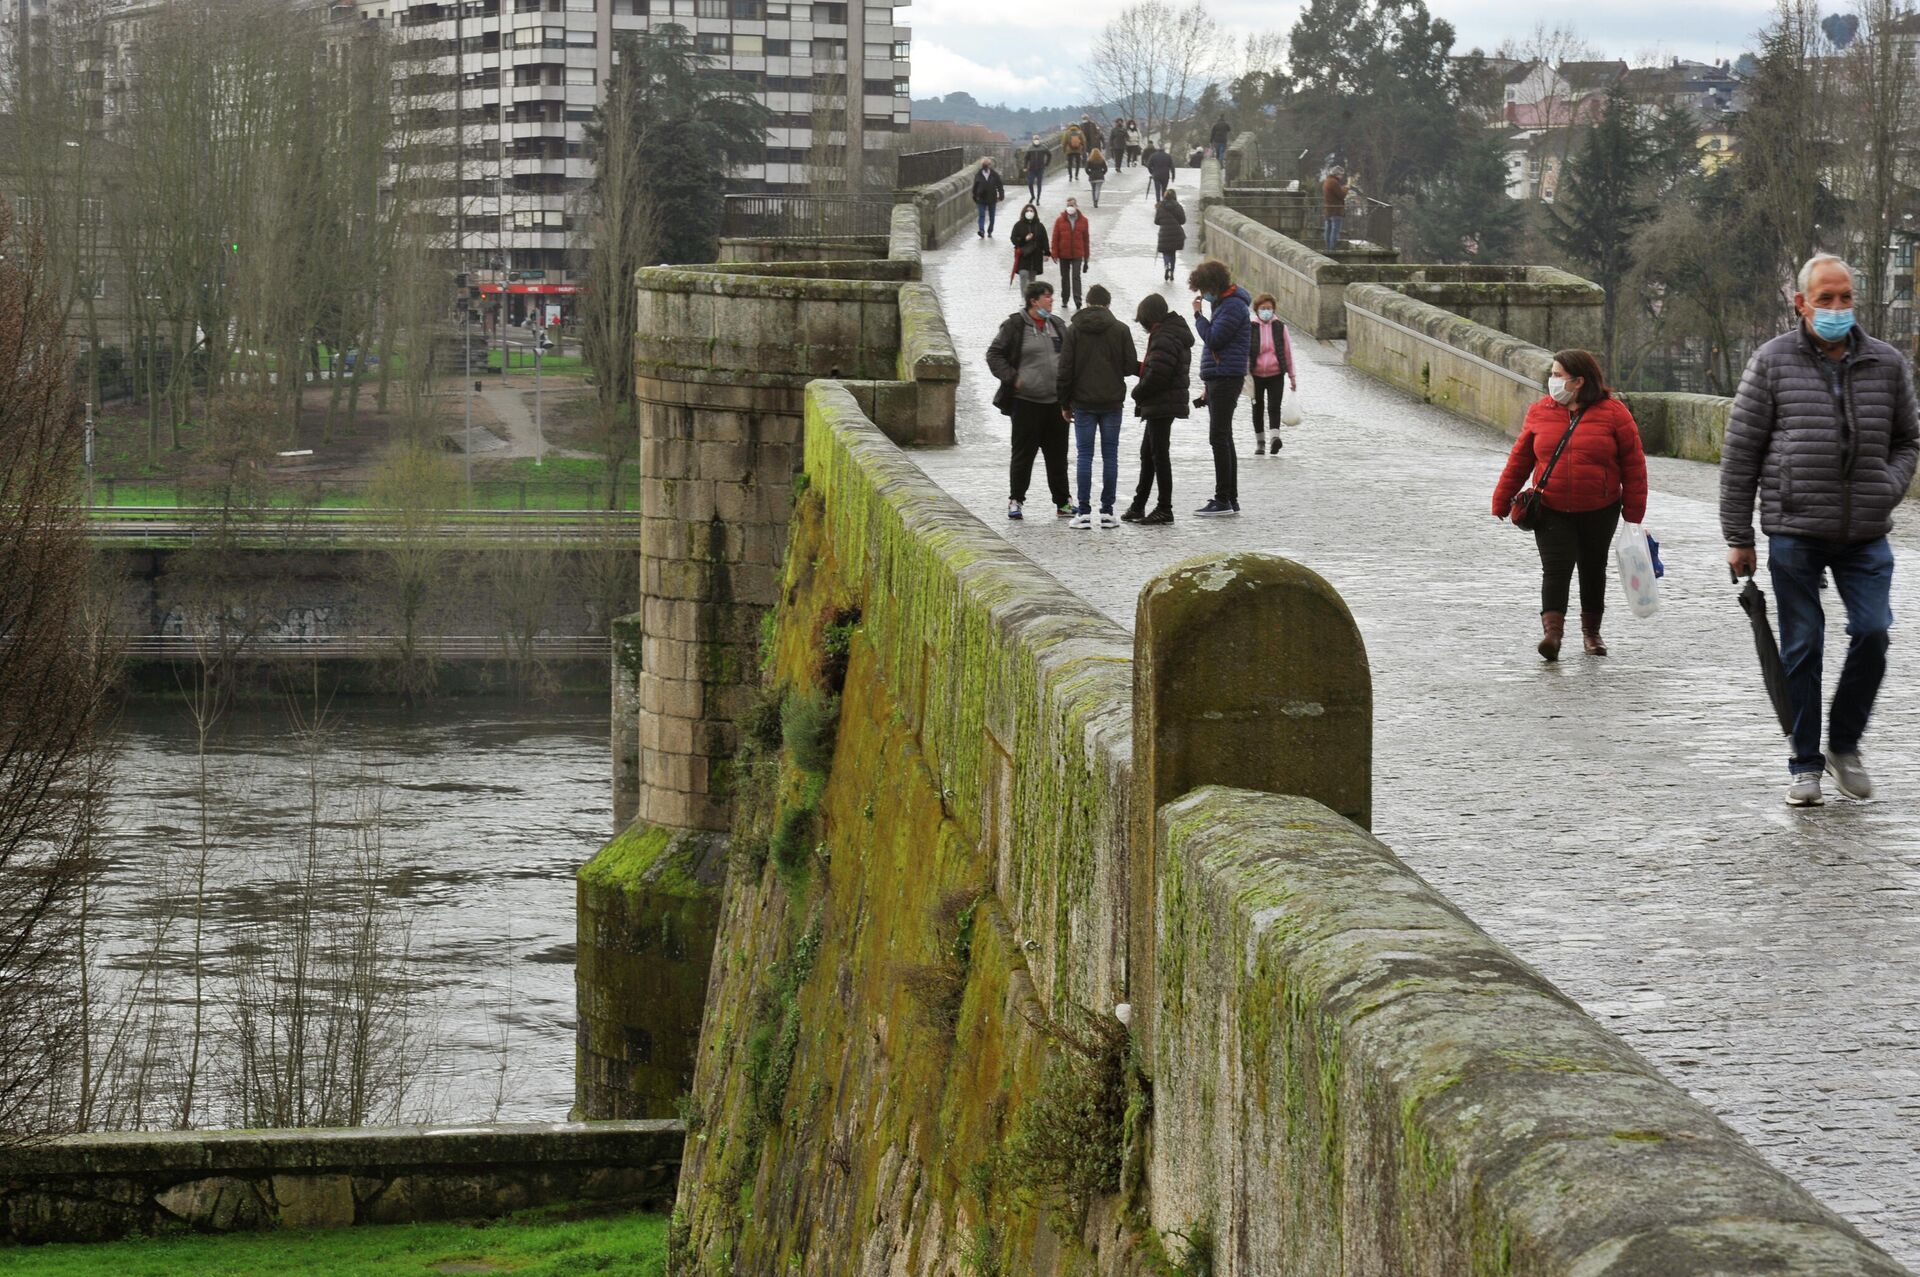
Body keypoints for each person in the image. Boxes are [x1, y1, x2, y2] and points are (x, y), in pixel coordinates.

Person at [1721, 253, 1920, 806]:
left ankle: (1844, 745)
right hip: (1795, 527)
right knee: (1804, 645)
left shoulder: (1886, 362)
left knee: (1875, 630)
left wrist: (1887, 484)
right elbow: (1741, 453)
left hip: (1865, 531)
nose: (1836, 308)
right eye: (1825, 298)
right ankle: (1804, 763)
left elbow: (1908, 440)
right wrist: (1738, 536)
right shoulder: (1772, 362)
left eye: (1845, 298)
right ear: (1801, 302)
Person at [1491, 349, 1648, 665]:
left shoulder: (1615, 414)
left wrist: (1633, 514)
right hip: (1551, 507)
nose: (1552, 381)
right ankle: (1553, 635)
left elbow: (1634, 465)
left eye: (1557, 375)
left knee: (1593, 568)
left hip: (1599, 508)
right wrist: (1501, 498)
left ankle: (1592, 634)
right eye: (1552, 374)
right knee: (1556, 569)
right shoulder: (1540, 412)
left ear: (1578, 381)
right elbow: (1520, 459)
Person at [986, 280, 1073, 521]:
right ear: (1034, 301)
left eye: (1052, 297)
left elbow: (1068, 358)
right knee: (1023, 455)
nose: (1051, 301)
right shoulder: (1015, 325)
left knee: (1058, 456)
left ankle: (1063, 502)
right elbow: (994, 354)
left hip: (1056, 404)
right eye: (1048, 297)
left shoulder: (1057, 325)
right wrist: (1012, 378)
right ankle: (1016, 500)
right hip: (1026, 403)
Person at [1055, 283, 1138, 529]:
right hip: (1112, 401)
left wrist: (1064, 402)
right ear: (1108, 304)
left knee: (1084, 456)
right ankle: (1107, 511)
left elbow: (1065, 370)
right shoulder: (1121, 329)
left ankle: (1083, 511)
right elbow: (1129, 366)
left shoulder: (1074, 331)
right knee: (1110, 455)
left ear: (1088, 303)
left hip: (1082, 402)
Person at [1121, 292, 1194, 525]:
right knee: (1149, 454)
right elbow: (1158, 366)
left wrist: (1137, 392)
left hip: (1162, 402)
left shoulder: (1164, 336)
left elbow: (1159, 375)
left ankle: (1164, 508)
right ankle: (1139, 505)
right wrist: (1136, 367)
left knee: (1159, 456)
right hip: (1163, 402)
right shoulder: (1171, 332)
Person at [1188, 259, 1252, 517]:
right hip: (1220, 377)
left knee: (1219, 437)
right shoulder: (1225, 304)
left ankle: (1223, 498)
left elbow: (1214, 338)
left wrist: (1197, 316)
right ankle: (1229, 497)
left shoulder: (1233, 306)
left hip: (1226, 377)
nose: (1202, 296)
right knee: (1225, 437)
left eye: (1203, 290)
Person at [1247, 295, 1297, 456]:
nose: (1266, 312)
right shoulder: (1251, 327)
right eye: (1263, 309)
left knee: (1274, 407)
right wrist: (1244, 371)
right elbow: (1245, 351)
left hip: (1276, 374)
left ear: (1273, 310)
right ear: (1257, 310)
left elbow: (1288, 352)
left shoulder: (1280, 327)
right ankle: (1260, 442)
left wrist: (1292, 376)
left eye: (1269, 308)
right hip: (1256, 374)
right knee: (1257, 408)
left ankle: (1275, 439)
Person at [1050, 198, 1090, 310]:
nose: (1070, 207)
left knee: (1076, 276)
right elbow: (1055, 237)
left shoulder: (1084, 221)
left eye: (1072, 205)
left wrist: (1086, 258)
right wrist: (1054, 253)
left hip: (1077, 253)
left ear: (1076, 206)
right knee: (1065, 278)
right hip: (1064, 253)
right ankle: (1065, 299)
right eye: (1068, 205)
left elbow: (1086, 240)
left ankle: (1078, 300)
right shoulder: (1060, 220)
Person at [1009, 202, 1048, 295]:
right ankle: (1023, 297)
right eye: (1027, 211)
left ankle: (1030, 298)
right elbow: (1013, 238)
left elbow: (1044, 240)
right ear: (1024, 212)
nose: (1029, 212)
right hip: (1023, 255)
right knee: (1023, 274)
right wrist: (1024, 239)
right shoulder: (1018, 225)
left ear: (1035, 213)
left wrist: (1046, 253)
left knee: (1032, 279)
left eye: (1031, 211)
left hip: (1035, 256)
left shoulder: (1040, 226)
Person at [1153, 188, 1185, 283]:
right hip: (1176, 233)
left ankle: (1167, 265)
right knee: (1173, 253)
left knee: (1166, 252)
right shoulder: (1178, 206)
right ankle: (1172, 271)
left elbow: (1156, 221)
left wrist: (1164, 221)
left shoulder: (1160, 206)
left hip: (1164, 233)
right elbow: (1183, 220)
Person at [971, 157, 1005, 238]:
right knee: (981, 215)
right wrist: (975, 196)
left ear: (990, 165)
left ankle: (990, 231)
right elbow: (975, 187)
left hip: (992, 198)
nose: (986, 166)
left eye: (987, 164)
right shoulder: (978, 175)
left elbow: (999, 185)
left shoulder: (994, 174)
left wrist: (1001, 195)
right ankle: (981, 231)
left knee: (992, 216)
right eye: (984, 164)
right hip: (981, 198)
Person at [1322, 166, 1348, 252]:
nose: (1342, 177)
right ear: (1337, 174)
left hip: (1328, 210)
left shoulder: (1327, 181)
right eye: (1341, 174)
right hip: (1336, 210)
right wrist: (1346, 188)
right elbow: (1341, 195)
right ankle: (1332, 249)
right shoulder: (1334, 182)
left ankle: (1328, 248)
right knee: (1334, 231)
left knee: (1328, 230)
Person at [1023, 135, 1051, 203]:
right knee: (1030, 183)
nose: (1036, 140)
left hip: (1040, 169)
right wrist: (1025, 166)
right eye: (1035, 139)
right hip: (1032, 169)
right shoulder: (1030, 148)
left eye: (1037, 139)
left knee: (1039, 184)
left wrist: (1047, 163)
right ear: (1033, 140)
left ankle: (1038, 198)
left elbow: (1049, 154)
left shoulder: (1043, 147)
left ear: (1039, 139)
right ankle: (1032, 196)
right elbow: (1026, 158)